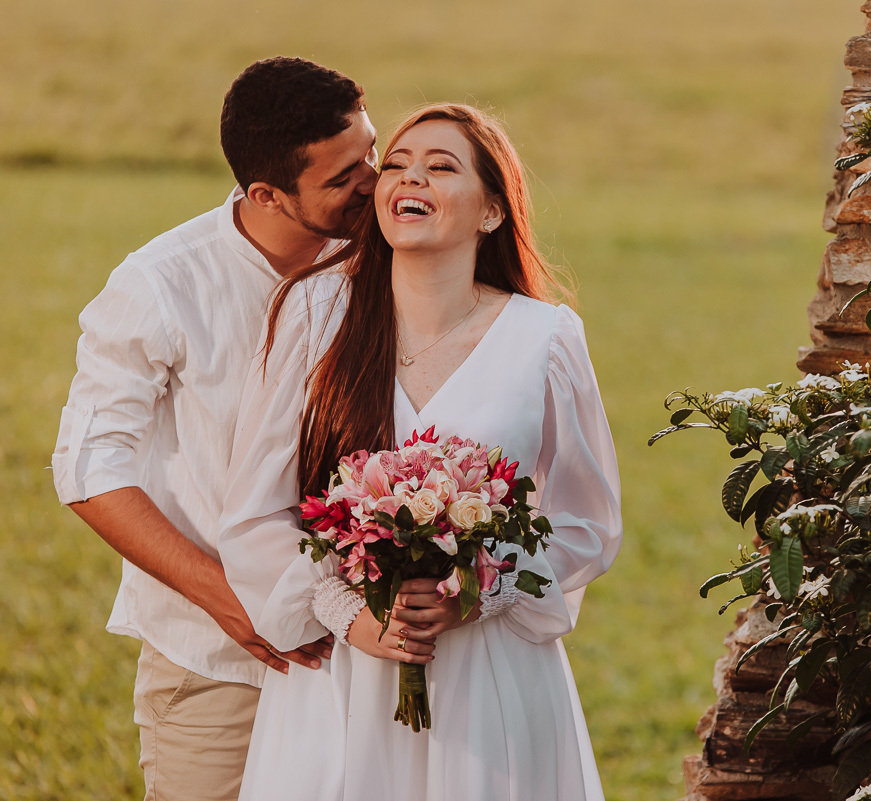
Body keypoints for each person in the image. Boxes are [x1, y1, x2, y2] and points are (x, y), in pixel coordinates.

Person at [218, 102, 622, 800]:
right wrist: (349, 614)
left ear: (491, 211)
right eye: (397, 165)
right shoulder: (316, 316)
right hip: (345, 680)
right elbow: (256, 510)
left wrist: (480, 593)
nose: (411, 178)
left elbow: (588, 522)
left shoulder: (545, 338)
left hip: (488, 677)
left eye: (441, 167)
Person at [51, 56, 379, 800]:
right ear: (266, 193)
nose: (373, 183)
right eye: (342, 177)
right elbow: (89, 467)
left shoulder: (385, 262)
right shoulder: (160, 285)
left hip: (365, 657)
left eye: (372, 155)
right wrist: (228, 597)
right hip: (219, 663)